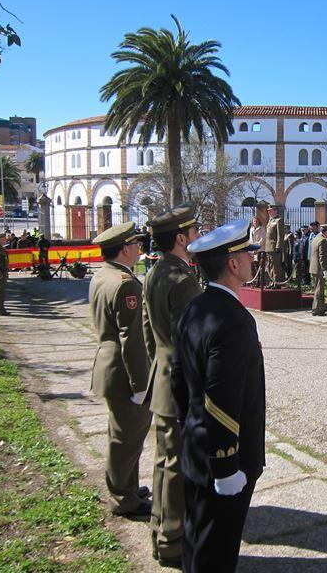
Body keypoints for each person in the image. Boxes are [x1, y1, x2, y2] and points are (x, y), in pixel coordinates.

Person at [172, 220, 265, 572]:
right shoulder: (232, 321)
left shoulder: (195, 308)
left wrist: (189, 428)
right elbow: (220, 398)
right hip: (225, 459)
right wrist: (226, 467)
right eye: (247, 254)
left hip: (197, 446)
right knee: (217, 551)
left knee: (197, 538)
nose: (252, 259)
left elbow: (178, 379)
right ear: (233, 264)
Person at [141, 206, 202, 568]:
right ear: (181, 238)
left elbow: (148, 331)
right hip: (178, 386)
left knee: (164, 461)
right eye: (193, 232)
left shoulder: (155, 272)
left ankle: (159, 533)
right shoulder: (183, 280)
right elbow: (192, 343)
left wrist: (158, 369)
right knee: (176, 466)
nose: (197, 236)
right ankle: (173, 541)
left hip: (162, 378)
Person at [88, 221, 152, 519]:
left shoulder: (103, 275)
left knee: (124, 435)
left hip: (109, 364)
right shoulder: (126, 283)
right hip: (124, 372)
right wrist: (141, 385)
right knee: (126, 438)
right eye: (136, 244)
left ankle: (128, 488)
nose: (140, 247)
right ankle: (124, 499)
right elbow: (132, 339)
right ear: (125, 249)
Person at [310, 224, 327, 316]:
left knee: (318, 288)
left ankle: (321, 307)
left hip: (313, 267)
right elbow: (322, 257)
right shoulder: (322, 240)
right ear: (325, 232)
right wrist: (324, 270)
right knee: (319, 289)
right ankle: (316, 309)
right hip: (319, 268)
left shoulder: (315, 238)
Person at [264, 205, 285, 287]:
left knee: (275, 265)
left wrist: (278, 246)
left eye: (270, 210)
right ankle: (271, 282)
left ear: (275, 211)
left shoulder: (279, 220)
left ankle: (276, 283)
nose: (269, 212)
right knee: (269, 265)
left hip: (274, 246)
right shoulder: (270, 220)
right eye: (268, 210)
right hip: (268, 247)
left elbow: (280, 235)